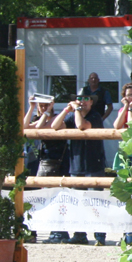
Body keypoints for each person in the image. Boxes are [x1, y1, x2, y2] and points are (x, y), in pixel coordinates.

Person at [51, 89, 108, 244]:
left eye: (85, 98)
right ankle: (79, 234)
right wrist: (66, 110)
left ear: (91, 101)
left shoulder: (95, 116)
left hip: (93, 164)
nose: (81, 101)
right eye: (79, 98)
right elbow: (54, 126)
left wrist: (76, 110)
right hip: (76, 165)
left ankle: (100, 236)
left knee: (96, 202)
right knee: (77, 202)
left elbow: (81, 126)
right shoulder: (72, 115)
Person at [26, 93, 67, 242]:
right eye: (41, 105)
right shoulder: (39, 118)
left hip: (56, 162)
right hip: (41, 163)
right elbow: (26, 127)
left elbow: (39, 128)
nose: (43, 108)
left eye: (46, 105)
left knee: (55, 197)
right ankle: (32, 231)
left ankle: (59, 232)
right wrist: (31, 108)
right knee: (36, 197)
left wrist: (48, 111)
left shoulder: (58, 119)